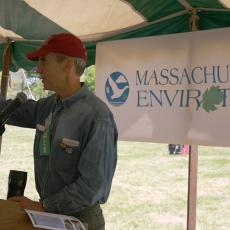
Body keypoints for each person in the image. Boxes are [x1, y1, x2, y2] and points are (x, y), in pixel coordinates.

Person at [1, 33, 118, 230]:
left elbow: (92, 186)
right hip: (48, 216)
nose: (38, 69)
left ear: (68, 65)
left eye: (43, 61)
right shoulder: (48, 106)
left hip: (80, 220)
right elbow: (9, 109)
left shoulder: (97, 117)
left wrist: (44, 206)